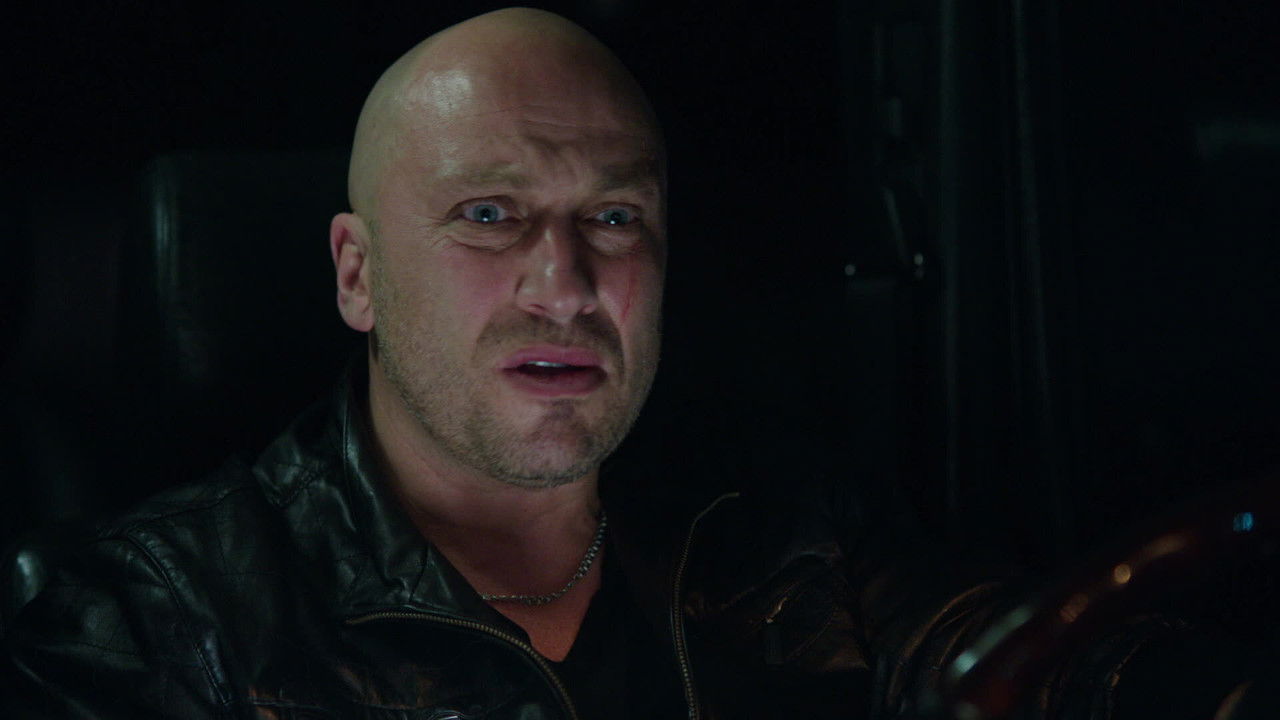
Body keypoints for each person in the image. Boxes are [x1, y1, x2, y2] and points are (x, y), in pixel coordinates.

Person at [1, 8, 1262, 720]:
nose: (565, 282)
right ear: (358, 273)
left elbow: (1037, 660)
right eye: (489, 215)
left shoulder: (789, 530)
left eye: (613, 216)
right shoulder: (145, 626)